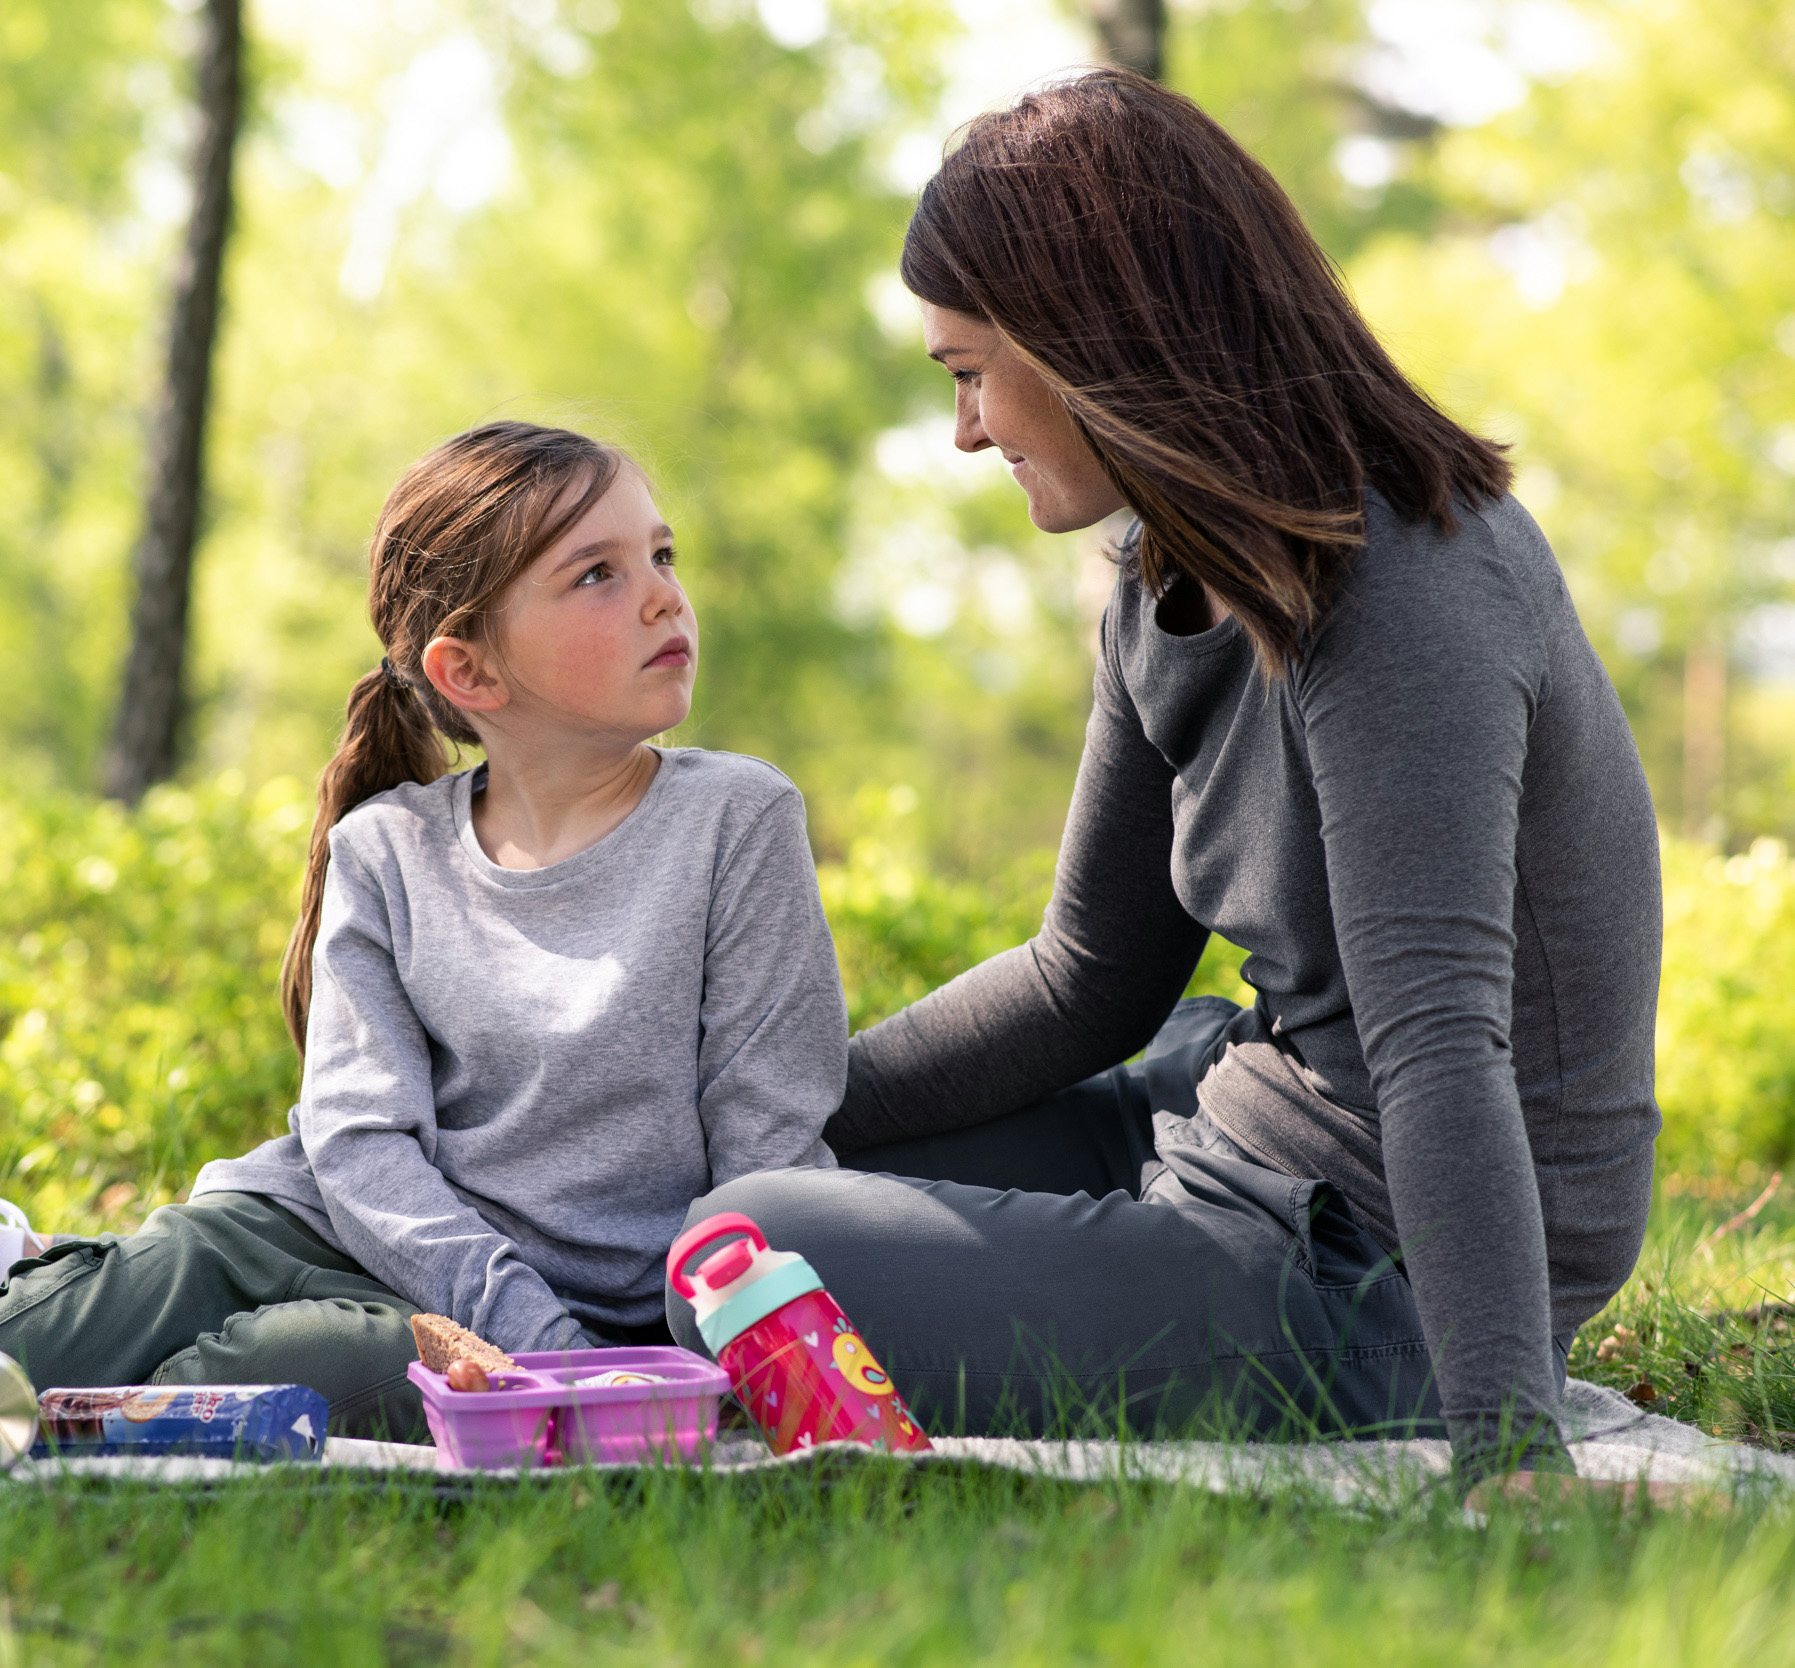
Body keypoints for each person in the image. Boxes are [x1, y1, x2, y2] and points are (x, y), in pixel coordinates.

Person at [662, 68, 1663, 1502]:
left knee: (745, 1240)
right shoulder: (1160, 569)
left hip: (1378, 1265)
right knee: (756, 1154)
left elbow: (1439, 1043)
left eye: (965, 374)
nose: (961, 431)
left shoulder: (1404, 591)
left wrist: (1507, 1447)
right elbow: (1087, 973)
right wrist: (736, 1091)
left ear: (1089, 344)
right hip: (1227, 1123)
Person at [0, 420, 848, 1434]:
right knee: (170, 1267)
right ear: (470, 669)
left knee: (303, 1366)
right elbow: (357, 1144)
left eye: (661, 555)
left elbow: (767, 1153)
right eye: (597, 574)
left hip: (560, 1324)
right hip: (330, 1228)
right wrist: (523, 1324)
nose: (662, 596)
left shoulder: (738, 820)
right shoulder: (391, 848)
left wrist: (652, 1359)